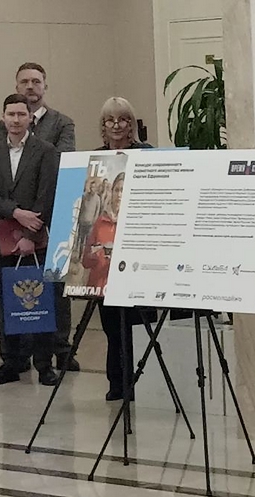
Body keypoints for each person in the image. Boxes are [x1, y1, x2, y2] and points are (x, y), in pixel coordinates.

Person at [0, 62, 78, 373]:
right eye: (24, 82)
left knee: (54, 288)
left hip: (53, 213)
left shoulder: (62, 123)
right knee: (18, 285)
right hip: (14, 219)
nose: (30, 86)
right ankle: (20, 355)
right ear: (16, 87)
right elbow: (2, 169)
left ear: (45, 86)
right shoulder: (2, 125)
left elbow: (60, 163)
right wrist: (17, 212)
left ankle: (61, 350)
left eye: (36, 81)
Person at [0, 94, 59, 387]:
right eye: (10, 114)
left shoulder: (45, 151)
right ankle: (11, 363)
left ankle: (44, 365)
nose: (15, 120)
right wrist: (16, 213)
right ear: (3, 118)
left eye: (21, 115)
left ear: (29, 118)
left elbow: (47, 195)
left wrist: (30, 233)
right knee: (6, 304)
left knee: (40, 302)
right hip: (1, 240)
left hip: (34, 239)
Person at [96, 97, 153, 401]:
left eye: (123, 119)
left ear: (132, 124)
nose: (116, 125)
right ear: (103, 125)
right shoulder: (95, 159)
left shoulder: (148, 154)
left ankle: (142, 381)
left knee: (139, 322)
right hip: (107, 256)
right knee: (111, 324)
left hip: (141, 252)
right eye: (110, 120)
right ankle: (116, 382)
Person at [82, 173, 123, 290]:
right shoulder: (100, 222)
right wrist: (98, 254)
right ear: (112, 192)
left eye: (123, 190)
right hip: (96, 288)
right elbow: (85, 261)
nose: (119, 195)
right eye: (117, 190)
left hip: (119, 289)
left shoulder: (134, 224)